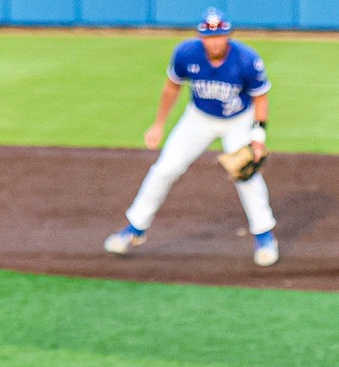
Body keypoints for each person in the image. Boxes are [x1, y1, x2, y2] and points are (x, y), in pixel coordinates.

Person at [103, 7, 278, 266]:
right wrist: (158, 124)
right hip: (199, 118)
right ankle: (134, 229)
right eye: (209, 36)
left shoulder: (246, 59)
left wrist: (258, 136)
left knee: (246, 175)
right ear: (201, 37)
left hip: (237, 120)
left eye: (220, 35)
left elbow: (260, 97)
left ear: (228, 36)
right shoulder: (186, 54)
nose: (215, 41)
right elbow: (171, 87)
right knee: (164, 169)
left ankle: (265, 236)